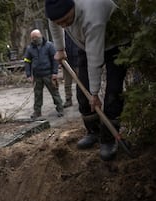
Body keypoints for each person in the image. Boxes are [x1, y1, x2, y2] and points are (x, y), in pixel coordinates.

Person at [45, 0, 129, 161]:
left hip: (117, 43)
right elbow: (54, 25)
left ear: (73, 7)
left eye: (66, 20)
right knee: (83, 92)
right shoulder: (55, 9)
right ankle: (93, 131)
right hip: (85, 43)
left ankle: (108, 139)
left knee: (113, 92)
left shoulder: (93, 16)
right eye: (59, 22)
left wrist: (95, 94)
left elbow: (95, 59)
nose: (63, 25)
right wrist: (60, 49)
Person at [23, 29, 64, 119]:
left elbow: (55, 60)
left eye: (36, 37)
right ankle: (37, 112)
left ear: (41, 36)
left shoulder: (49, 45)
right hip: (37, 76)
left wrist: (54, 73)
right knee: (37, 95)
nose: (34, 39)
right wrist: (29, 75)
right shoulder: (30, 48)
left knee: (54, 93)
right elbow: (27, 61)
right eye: (33, 38)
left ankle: (60, 109)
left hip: (48, 74)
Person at [62, 32, 79, 108]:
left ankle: (82, 99)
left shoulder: (76, 32)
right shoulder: (62, 34)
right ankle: (68, 99)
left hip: (77, 61)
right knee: (67, 83)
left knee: (80, 82)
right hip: (66, 61)